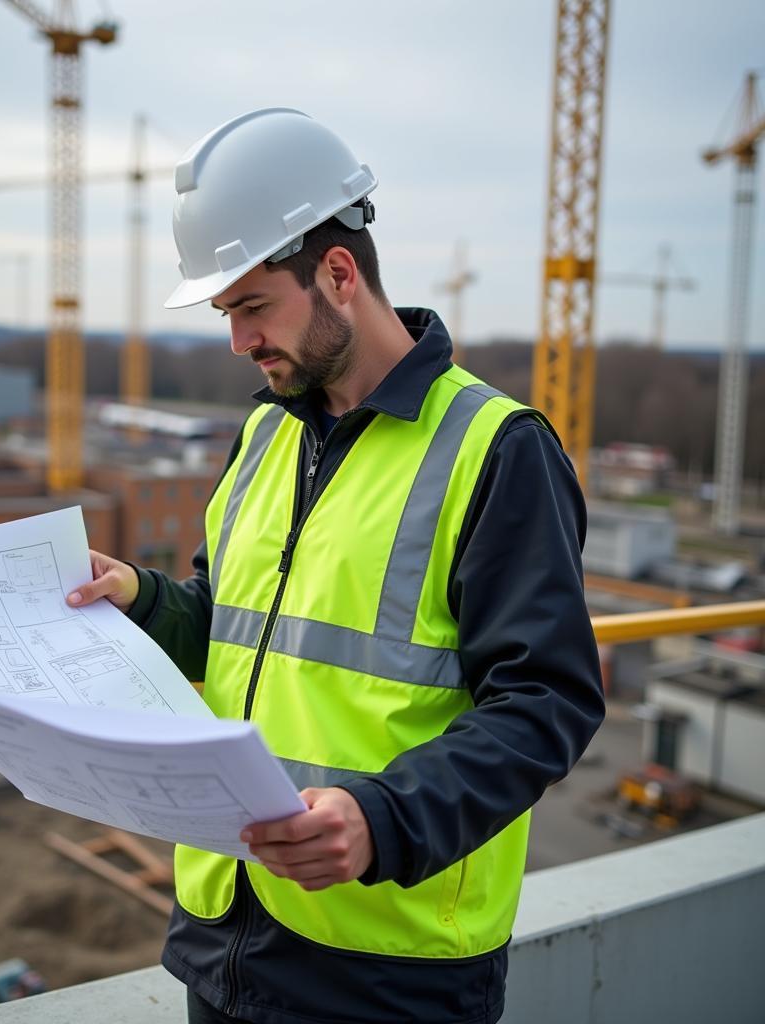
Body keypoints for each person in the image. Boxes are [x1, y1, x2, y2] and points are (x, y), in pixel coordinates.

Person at [67, 108, 604, 1024]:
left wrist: (381, 819)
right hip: (228, 938)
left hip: (386, 970)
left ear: (339, 274)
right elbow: (238, 629)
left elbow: (547, 703)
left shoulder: (497, 449)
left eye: (250, 307)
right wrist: (144, 600)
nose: (238, 342)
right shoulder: (267, 434)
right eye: (225, 313)